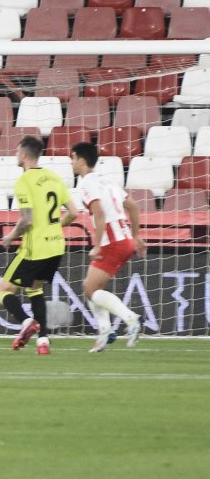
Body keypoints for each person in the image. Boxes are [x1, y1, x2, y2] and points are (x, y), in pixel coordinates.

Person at [0, 136, 79, 355]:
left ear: (23, 154)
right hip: (56, 247)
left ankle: (27, 323)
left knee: (3, 291)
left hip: (36, 248)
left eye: (17, 151)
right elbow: (74, 213)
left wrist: (10, 237)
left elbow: (27, 220)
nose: (16, 155)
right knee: (35, 289)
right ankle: (43, 341)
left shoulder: (24, 180)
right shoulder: (53, 178)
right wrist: (55, 227)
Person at [70, 142, 145, 352]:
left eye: (73, 157)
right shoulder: (107, 182)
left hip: (112, 242)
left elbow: (99, 213)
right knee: (89, 287)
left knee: (91, 289)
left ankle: (131, 319)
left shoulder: (86, 184)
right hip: (125, 240)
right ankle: (104, 333)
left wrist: (96, 246)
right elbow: (133, 206)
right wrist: (137, 236)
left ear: (82, 161)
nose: (71, 161)